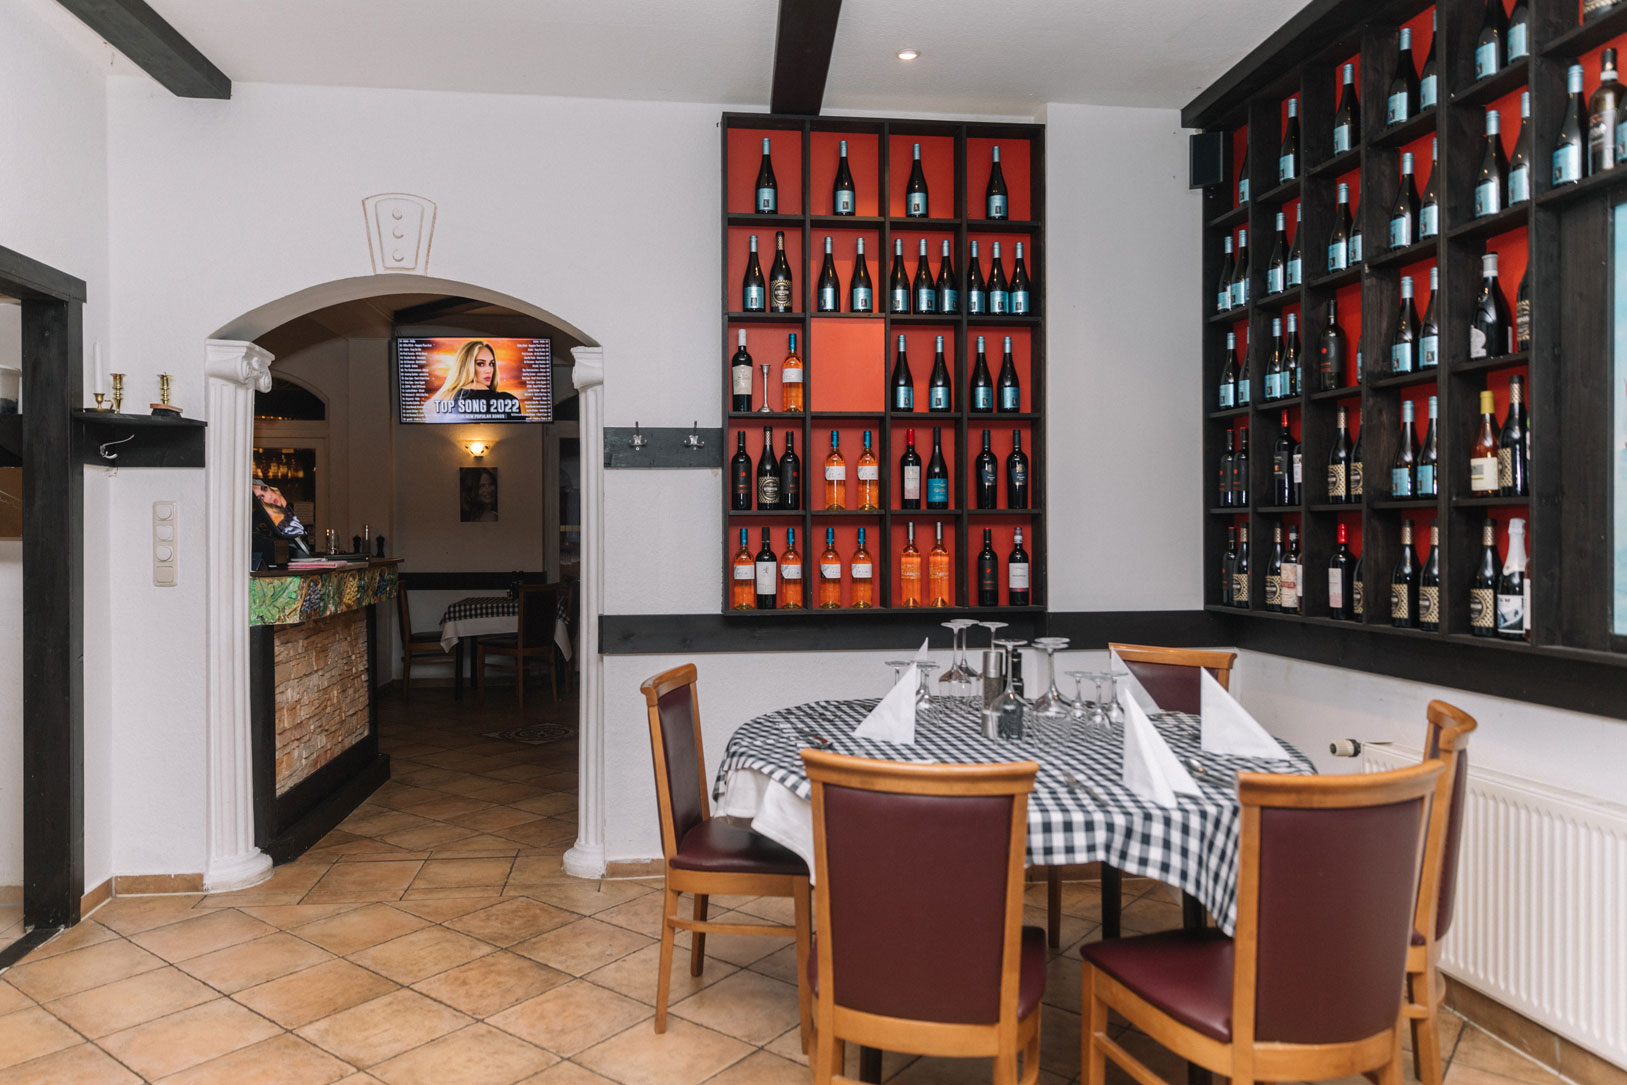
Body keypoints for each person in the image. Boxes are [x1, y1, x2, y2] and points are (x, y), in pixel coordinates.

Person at [428, 340, 521, 420]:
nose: (489, 370)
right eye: (481, 364)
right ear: (465, 366)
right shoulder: (509, 401)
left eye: (491, 364)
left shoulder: (444, 401)